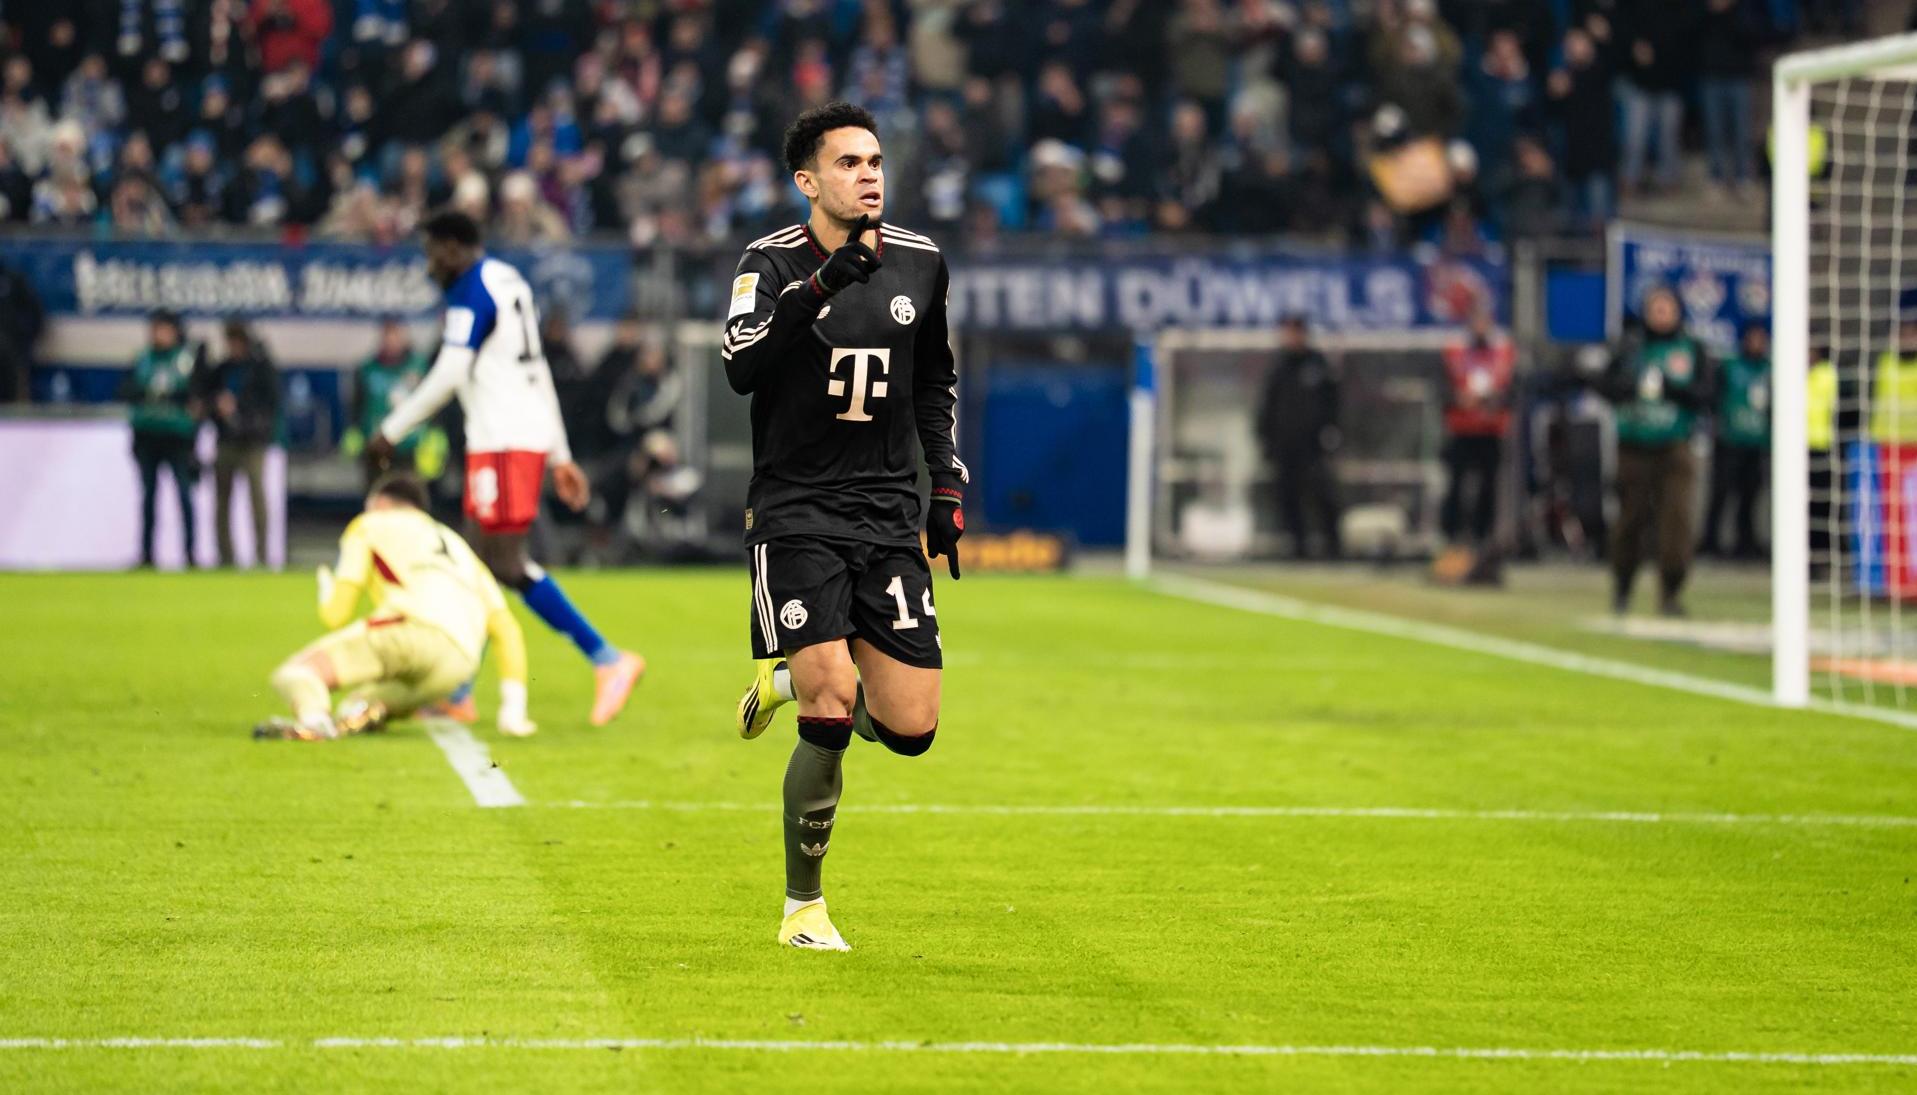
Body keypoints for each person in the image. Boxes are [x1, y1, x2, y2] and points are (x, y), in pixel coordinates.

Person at [721, 101, 967, 952]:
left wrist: (946, 485)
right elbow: (742, 366)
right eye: (849, 163)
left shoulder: (921, 262)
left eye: (875, 162)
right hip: (795, 511)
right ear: (807, 181)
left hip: (887, 513)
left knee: (911, 728)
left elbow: (932, 380)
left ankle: (781, 680)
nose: (868, 175)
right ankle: (804, 908)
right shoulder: (766, 262)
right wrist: (819, 287)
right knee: (832, 703)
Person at [369, 210, 645, 727]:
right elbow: (534, 369)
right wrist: (560, 454)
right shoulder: (507, 280)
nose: (429, 265)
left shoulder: (471, 289)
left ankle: (607, 659)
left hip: (503, 443)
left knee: (504, 563)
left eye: (432, 252)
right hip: (509, 440)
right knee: (476, 564)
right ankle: (459, 691)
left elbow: (451, 372)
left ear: (455, 247)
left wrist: (392, 429)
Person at [255, 474, 536, 741]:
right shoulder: (457, 544)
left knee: (298, 673)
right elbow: (506, 629)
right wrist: (513, 708)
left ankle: (314, 722)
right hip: (459, 663)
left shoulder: (370, 524)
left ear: (380, 503)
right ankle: (363, 713)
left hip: (410, 628)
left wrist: (327, 593)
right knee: (357, 704)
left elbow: (336, 615)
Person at [1602, 285, 1714, 616]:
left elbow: (1707, 394)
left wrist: (1672, 389)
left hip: (1675, 445)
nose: (1661, 314)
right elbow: (1606, 386)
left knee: (1677, 521)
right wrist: (1630, 387)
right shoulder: (1630, 347)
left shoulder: (1692, 348)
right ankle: (1622, 587)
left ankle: (1671, 592)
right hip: (1634, 444)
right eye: (1655, 308)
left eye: (1667, 308)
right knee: (1630, 520)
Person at [121, 310, 207, 568]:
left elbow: (198, 395)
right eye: (156, 328)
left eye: (164, 329)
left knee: (184, 494)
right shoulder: (143, 359)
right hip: (148, 436)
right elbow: (126, 390)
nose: (159, 334)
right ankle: (147, 554)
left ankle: (190, 553)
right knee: (148, 497)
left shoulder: (186, 359)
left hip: (177, 437)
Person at [1256, 314, 1343, 560]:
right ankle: (1297, 546)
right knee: (1288, 497)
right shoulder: (1278, 366)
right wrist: (1265, 439)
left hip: (1313, 445)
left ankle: (1333, 545)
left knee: (1322, 494)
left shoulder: (1317, 364)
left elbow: (1331, 403)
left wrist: (1331, 433)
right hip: (1285, 445)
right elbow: (1268, 406)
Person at [207, 319, 281, 568]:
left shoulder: (259, 368)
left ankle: (262, 556)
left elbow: (271, 402)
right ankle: (225, 557)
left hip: (253, 441)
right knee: (222, 500)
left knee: (257, 497)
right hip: (227, 440)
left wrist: (243, 413)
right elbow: (206, 397)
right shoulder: (222, 369)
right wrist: (218, 408)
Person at [1440, 305, 1516, 546]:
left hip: (1491, 429)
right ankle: (1452, 533)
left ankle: (1483, 534)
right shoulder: (1455, 350)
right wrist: (1459, 398)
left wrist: (1495, 400)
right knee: (1456, 482)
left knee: (1488, 484)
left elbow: (1510, 389)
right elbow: (1443, 388)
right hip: (1462, 428)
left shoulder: (1502, 351)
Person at [1700, 322, 1770, 559]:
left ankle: (1746, 542)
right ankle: (1710, 541)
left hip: (1757, 442)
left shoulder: (1769, 369)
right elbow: (1712, 397)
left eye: (1761, 339)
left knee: (1750, 496)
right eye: (1753, 338)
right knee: (1720, 494)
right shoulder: (1729, 366)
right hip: (1729, 441)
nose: (1757, 344)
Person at [343, 318, 441, 489]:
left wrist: (434, 432)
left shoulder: (420, 367)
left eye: (396, 336)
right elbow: (357, 404)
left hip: (412, 447)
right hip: (378, 445)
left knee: (410, 494)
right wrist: (355, 431)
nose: (392, 342)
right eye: (388, 336)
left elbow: (434, 402)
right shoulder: (367, 369)